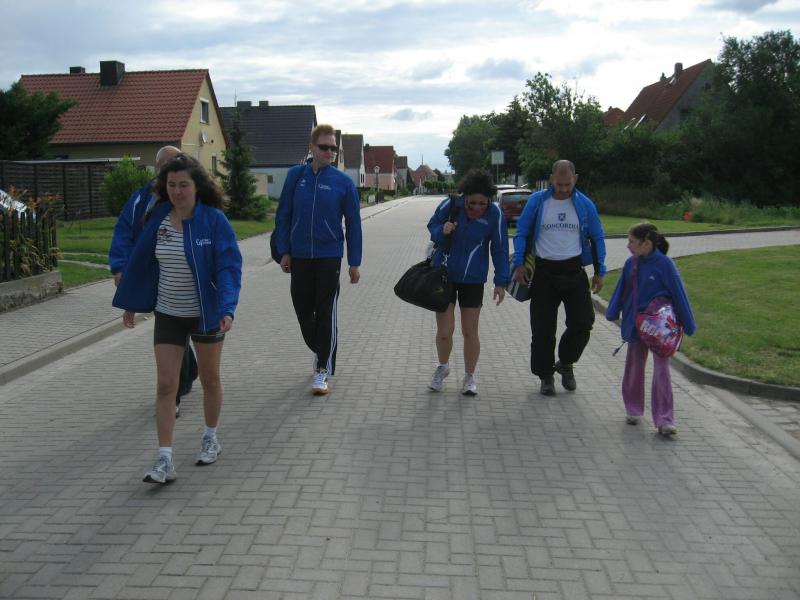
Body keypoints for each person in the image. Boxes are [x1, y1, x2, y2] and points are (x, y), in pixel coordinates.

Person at [113, 154, 242, 483]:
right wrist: (131, 302)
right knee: (166, 385)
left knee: (210, 380)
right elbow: (141, 262)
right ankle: (164, 459)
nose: (177, 191)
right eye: (171, 185)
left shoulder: (213, 220)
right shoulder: (157, 218)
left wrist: (227, 307)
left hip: (206, 313)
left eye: (184, 185)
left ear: (197, 186)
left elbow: (229, 267)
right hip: (169, 313)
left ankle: (210, 438)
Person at [108, 145, 197, 417]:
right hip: (149, 273)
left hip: (179, 276)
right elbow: (124, 232)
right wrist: (121, 268)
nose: (174, 168)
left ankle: (179, 385)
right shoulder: (141, 198)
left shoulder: (186, 197)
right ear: (158, 168)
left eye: (179, 161)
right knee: (171, 334)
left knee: (176, 332)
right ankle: (179, 385)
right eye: (169, 164)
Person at [274, 124, 362, 396]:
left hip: (329, 256)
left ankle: (322, 368)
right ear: (311, 148)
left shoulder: (343, 182)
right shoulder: (295, 176)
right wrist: (284, 250)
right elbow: (283, 215)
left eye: (334, 148)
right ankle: (322, 348)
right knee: (303, 312)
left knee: (325, 312)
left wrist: (354, 261)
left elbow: (354, 223)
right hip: (300, 255)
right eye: (325, 147)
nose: (330, 152)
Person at [512, 159, 607, 396]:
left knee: (583, 323)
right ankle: (545, 375)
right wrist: (519, 263)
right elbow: (522, 232)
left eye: (568, 184)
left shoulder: (585, 204)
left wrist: (600, 271)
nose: (563, 189)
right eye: (559, 184)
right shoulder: (537, 202)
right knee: (542, 329)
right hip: (544, 272)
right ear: (551, 179)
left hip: (574, 271)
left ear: (575, 179)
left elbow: (597, 237)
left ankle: (565, 362)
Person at [605, 223, 696, 436]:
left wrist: (689, 324)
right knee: (634, 366)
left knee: (662, 370)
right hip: (636, 324)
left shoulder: (665, 265)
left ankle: (665, 419)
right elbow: (621, 290)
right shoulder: (631, 264)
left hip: (660, 329)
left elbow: (679, 293)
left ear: (646, 244)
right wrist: (612, 311)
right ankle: (633, 409)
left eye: (631, 241)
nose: (628, 245)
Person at [427, 168, 510, 396]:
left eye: (482, 203)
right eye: (471, 203)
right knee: (445, 330)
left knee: (469, 331)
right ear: (465, 197)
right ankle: (442, 367)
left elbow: (500, 249)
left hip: (473, 279)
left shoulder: (495, 214)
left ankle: (469, 376)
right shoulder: (451, 205)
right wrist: (441, 230)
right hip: (444, 275)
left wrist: (501, 281)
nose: (477, 208)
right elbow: (432, 225)